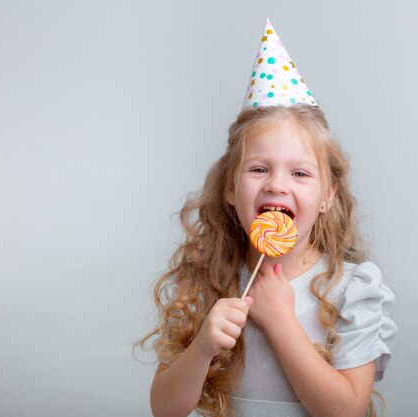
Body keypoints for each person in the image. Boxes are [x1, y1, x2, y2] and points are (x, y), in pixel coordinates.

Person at [138, 19, 397, 417]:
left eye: (300, 173)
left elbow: (346, 411)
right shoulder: (210, 278)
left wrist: (281, 321)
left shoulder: (350, 288)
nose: (277, 185)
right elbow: (164, 409)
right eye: (258, 169)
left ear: (327, 197)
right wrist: (203, 347)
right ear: (229, 189)